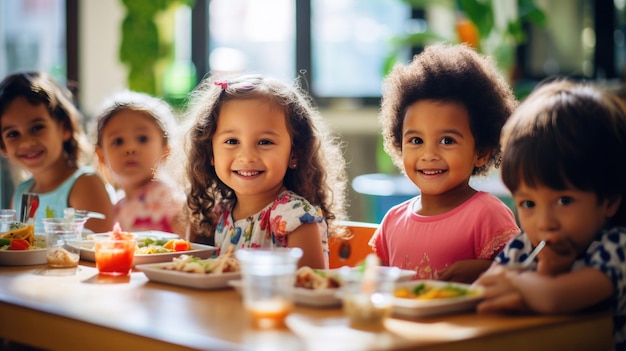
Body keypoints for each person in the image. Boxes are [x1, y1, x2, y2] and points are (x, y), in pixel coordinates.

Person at [475, 80, 626, 351]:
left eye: (564, 200)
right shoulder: (524, 247)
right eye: (528, 204)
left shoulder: (616, 248)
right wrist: (544, 269)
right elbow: (485, 293)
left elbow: (554, 298)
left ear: (609, 201)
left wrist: (515, 282)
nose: (545, 223)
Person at [369, 44, 520, 283]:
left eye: (447, 140)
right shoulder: (392, 221)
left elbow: (519, 275)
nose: (429, 154)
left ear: (480, 151)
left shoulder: (487, 214)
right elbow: (374, 282)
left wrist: (483, 270)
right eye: (416, 140)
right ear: (399, 144)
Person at [180, 73, 348, 269]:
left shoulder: (296, 218)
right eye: (232, 141)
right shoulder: (217, 214)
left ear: (294, 154)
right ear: (211, 153)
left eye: (264, 142)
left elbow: (309, 287)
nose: (247, 156)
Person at [0, 71, 114, 233]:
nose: (27, 142)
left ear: (65, 127)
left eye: (37, 128)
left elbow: (95, 252)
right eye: (13, 134)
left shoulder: (84, 184)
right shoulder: (21, 194)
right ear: (3, 146)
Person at [94, 91, 186, 235]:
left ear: (165, 150)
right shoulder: (116, 205)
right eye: (118, 141)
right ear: (101, 155)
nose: (130, 148)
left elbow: (188, 245)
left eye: (142, 139)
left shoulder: (168, 198)